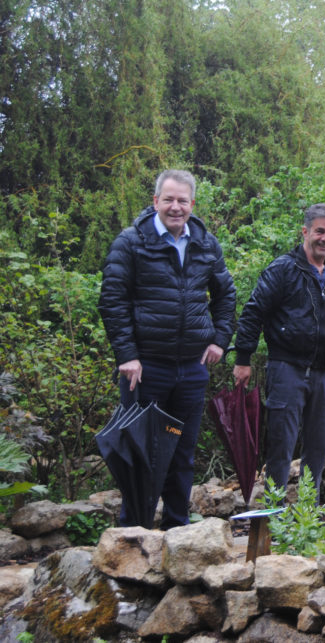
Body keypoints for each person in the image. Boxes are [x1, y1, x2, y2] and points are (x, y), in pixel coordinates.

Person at [98, 169, 236, 529]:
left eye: (182, 201)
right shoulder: (131, 242)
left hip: (191, 369)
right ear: (155, 201)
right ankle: (134, 531)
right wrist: (127, 356)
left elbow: (226, 295)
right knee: (140, 452)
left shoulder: (206, 244)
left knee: (181, 452)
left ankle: (177, 529)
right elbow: (112, 300)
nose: (176, 207)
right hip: (147, 368)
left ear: (192, 204)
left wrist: (219, 340)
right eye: (169, 199)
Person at [232, 204, 325, 496]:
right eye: (320, 231)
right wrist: (243, 359)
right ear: (305, 232)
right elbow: (253, 313)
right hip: (287, 369)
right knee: (281, 447)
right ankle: (275, 515)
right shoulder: (283, 269)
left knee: (317, 449)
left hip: (324, 373)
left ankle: (308, 513)